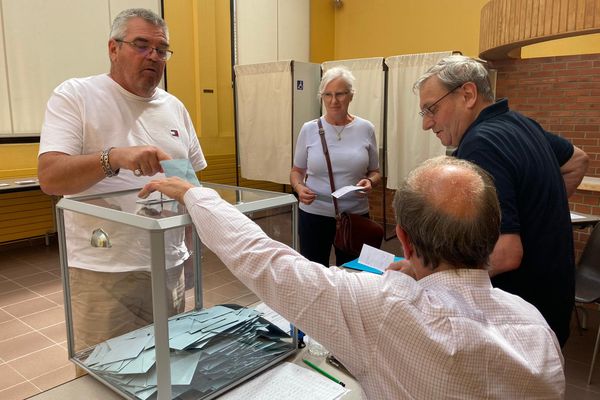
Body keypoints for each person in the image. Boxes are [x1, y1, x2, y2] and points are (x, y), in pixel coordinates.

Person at [139, 156, 565, 399]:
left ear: (404, 240)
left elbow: (264, 261)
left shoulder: (384, 307)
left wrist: (194, 193)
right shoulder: (534, 324)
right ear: (491, 236)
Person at [37, 8, 206, 352]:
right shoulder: (76, 95)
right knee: (107, 370)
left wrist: (187, 254)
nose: (153, 57)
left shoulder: (175, 107)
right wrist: (112, 158)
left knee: (170, 363)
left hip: (169, 264)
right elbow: (50, 176)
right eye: (141, 45)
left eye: (161, 50)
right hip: (105, 270)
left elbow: (189, 184)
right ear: (113, 49)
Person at [411, 54, 589, 347]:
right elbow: (577, 160)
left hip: (521, 321)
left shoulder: (481, 144)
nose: (427, 124)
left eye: (432, 109)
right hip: (552, 307)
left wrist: (431, 273)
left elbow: (506, 253)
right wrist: (539, 212)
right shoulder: (521, 123)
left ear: (467, 94)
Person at [290, 66, 381, 267]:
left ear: (351, 96)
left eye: (340, 94)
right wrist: (298, 187)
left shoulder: (366, 128)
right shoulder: (309, 129)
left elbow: (375, 172)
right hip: (314, 214)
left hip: (355, 215)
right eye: (327, 94)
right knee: (313, 272)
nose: (333, 101)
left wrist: (370, 182)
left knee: (354, 272)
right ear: (321, 96)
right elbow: (297, 171)